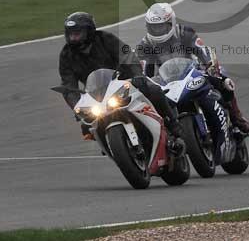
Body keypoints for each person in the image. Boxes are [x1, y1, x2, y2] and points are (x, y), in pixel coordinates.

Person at [58, 11, 184, 151]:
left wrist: (137, 75)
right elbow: (68, 87)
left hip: (124, 82)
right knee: (87, 127)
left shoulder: (106, 38)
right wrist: (78, 108)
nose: (73, 38)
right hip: (97, 95)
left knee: (153, 90)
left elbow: (127, 54)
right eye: (71, 34)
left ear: (89, 32)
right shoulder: (66, 55)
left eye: (77, 34)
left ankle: (173, 123)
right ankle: (111, 148)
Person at [136, 3, 249, 134]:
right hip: (166, 81)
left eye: (161, 26)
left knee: (224, 79)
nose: (158, 31)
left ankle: (236, 117)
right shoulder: (144, 45)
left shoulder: (185, 32)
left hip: (193, 71)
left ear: (171, 22)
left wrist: (210, 66)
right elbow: (143, 71)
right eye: (154, 28)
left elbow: (203, 51)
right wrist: (143, 83)